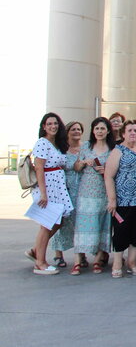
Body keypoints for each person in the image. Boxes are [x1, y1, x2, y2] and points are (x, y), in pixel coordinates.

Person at [25, 113, 73, 275]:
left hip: (58, 187)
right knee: (46, 224)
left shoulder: (57, 144)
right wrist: (43, 193)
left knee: (58, 222)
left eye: (55, 124)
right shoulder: (42, 143)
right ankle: (40, 262)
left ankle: (35, 250)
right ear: (44, 127)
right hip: (48, 187)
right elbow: (39, 167)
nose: (53, 126)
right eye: (49, 124)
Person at [104, 120, 136, 278]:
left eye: (135, 131)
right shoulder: (118, 151)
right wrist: (112, 199)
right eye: (129, 130)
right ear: (123, 133)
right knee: (121, 231)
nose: (132, 133)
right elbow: (109, 176)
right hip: (124, 200)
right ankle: (118, 262)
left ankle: (132, 261)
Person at [74, 117, 115, 274]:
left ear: (108, 131)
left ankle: (98, 260)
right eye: (97, 128)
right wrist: (84, 162)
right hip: (86, 191)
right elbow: (76, 167)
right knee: (83, 226)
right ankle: (78, 261)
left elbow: (116, 171)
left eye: (102, 128)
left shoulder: (113, 149)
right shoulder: (85, 147)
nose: (99, 131)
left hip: (104, 191)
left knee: (102, 224)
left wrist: (106, 171)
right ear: (93, 130)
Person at [50, 121, 83, 269]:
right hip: (63, 188)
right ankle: (58, 254)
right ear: (67, 132)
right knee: (61, 221)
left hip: (81, 189)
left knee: (79, 222)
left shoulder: (86, 147)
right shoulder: (61, 148)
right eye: (73, 129)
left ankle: (81, 255)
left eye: (79, 129)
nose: (76, 131)